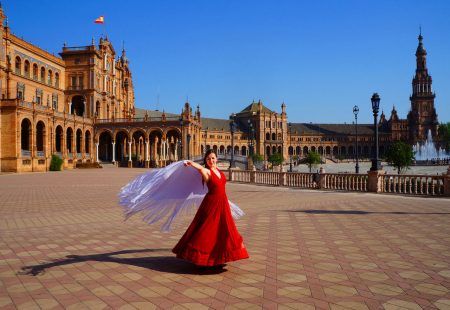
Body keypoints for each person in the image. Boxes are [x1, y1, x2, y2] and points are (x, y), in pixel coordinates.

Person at [172, 149, 249, 267]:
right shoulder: (206, 172)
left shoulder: (219, 171)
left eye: (213, 158)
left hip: (222, 204)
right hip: (211, 204)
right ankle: (202, 256)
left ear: (216, 159)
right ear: (206, 161)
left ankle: (218, 256)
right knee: (208, 229)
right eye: (208, 159)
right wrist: (191, 163)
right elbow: (200, 168)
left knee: (223, 229)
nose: (211, 160)